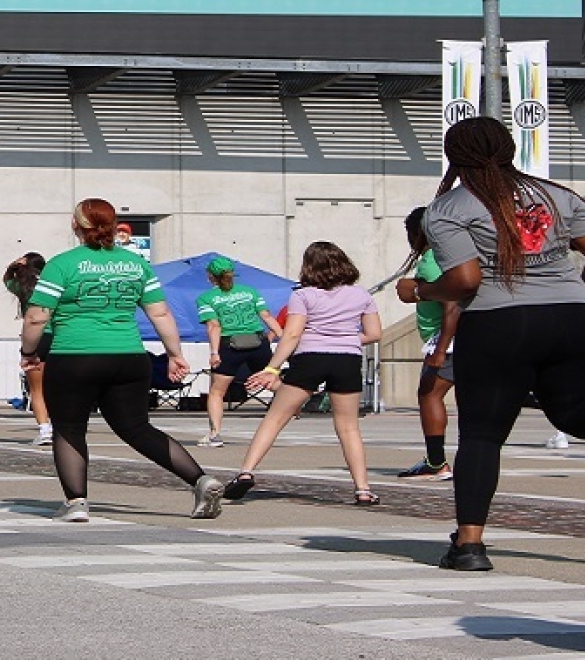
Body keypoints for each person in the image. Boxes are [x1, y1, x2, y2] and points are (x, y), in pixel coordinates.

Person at [407, 117, 585, 571]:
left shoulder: (449, 208)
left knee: (482, 434)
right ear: (509, 148)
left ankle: (470, 546)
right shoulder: (557, 195)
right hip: (572, 315)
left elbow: (464, 280)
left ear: (454, 155)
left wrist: (419, 291)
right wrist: (574, 290)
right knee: (580, 415)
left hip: (499, 321)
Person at [21, 198, 225, 523]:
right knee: (137, 428)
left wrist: (29, 353)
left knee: (70, 428)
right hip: (129, 357)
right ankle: (200, 480)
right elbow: (160, 312)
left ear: (76, 226)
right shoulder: (137, 265)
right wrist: (175, 354)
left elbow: (36, 317)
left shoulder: (62, 264)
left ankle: (76, 503)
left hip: (76, 357)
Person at [219, 242, 382, 505]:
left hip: (310, 357)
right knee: (349, 427)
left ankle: (246, 472)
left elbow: (292, 334)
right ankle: (362, 489)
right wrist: (344, 339)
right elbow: (374, 334)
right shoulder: (362, 295)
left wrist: (272, 367)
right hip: (348, 359)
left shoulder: (303, 296)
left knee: (275, 418)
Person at [395, 208, 462, 477]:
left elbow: (451, 304)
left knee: (429, 394)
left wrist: (441, 348)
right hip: (469, 335)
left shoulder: (432, 260)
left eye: (411, 234)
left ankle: (436, 462)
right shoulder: (458, 256)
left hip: (450, 339)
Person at [195, 257, 281, 448]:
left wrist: (214, 352)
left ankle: (215, 434)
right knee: (273, 382)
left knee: (217, 392)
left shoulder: (206, 298)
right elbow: (266, 316)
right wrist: (283, 338)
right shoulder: (250, 292)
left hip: (230, 345)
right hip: (257, 342)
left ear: (210, 276)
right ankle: (297, 399)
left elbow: (213, 326)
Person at [3, 253, 52, 445]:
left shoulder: (23, 287)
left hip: (34, 338)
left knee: (36, 389)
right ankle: (62, 427)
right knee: (57, 387)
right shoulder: (52, 285)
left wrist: (15, 264)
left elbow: (6, 277)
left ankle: (45, 430)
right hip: (58, 337)